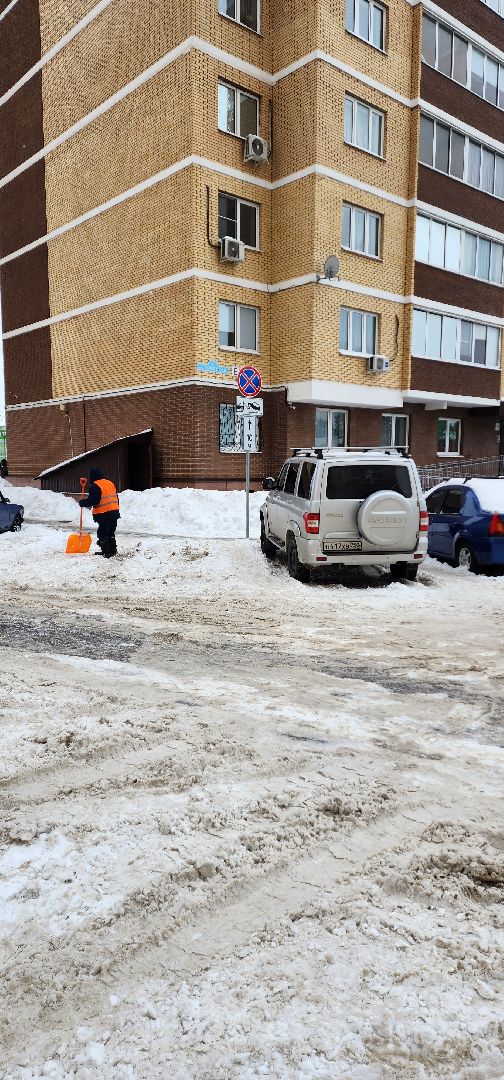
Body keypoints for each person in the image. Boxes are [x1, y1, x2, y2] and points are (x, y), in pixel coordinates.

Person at [79, 467, 120, 558]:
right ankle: (113, 550)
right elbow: (116, 498)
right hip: (114, 512)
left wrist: (83, 502)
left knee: (102, 533)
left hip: (104, 514)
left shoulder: (95, 485)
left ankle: (107, 552)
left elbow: (95, 501)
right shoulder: (109, 483)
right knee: (110, 532)